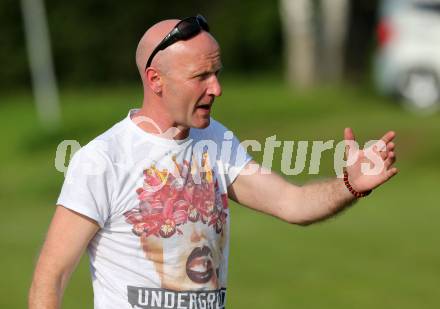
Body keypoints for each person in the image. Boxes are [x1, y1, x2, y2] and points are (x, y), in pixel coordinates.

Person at [28, 15, 398, 309]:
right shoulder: (104, 159)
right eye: (200, 76)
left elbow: (292, 203)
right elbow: (52, 277)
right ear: (156, 80)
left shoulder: (216, 140)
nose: (216, 88)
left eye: (216, 73)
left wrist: (349, 184)